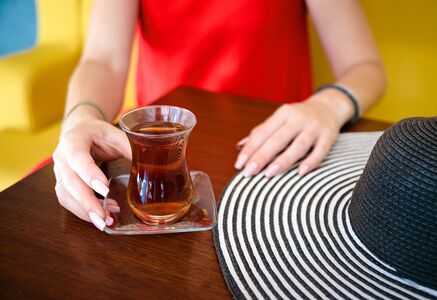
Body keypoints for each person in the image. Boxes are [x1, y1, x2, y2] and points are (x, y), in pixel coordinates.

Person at [53, 0, 386, 231]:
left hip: (272, 156)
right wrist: (80, 119)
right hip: (154, 152)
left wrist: (327, 106)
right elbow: (104, 60)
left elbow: (365, 67)